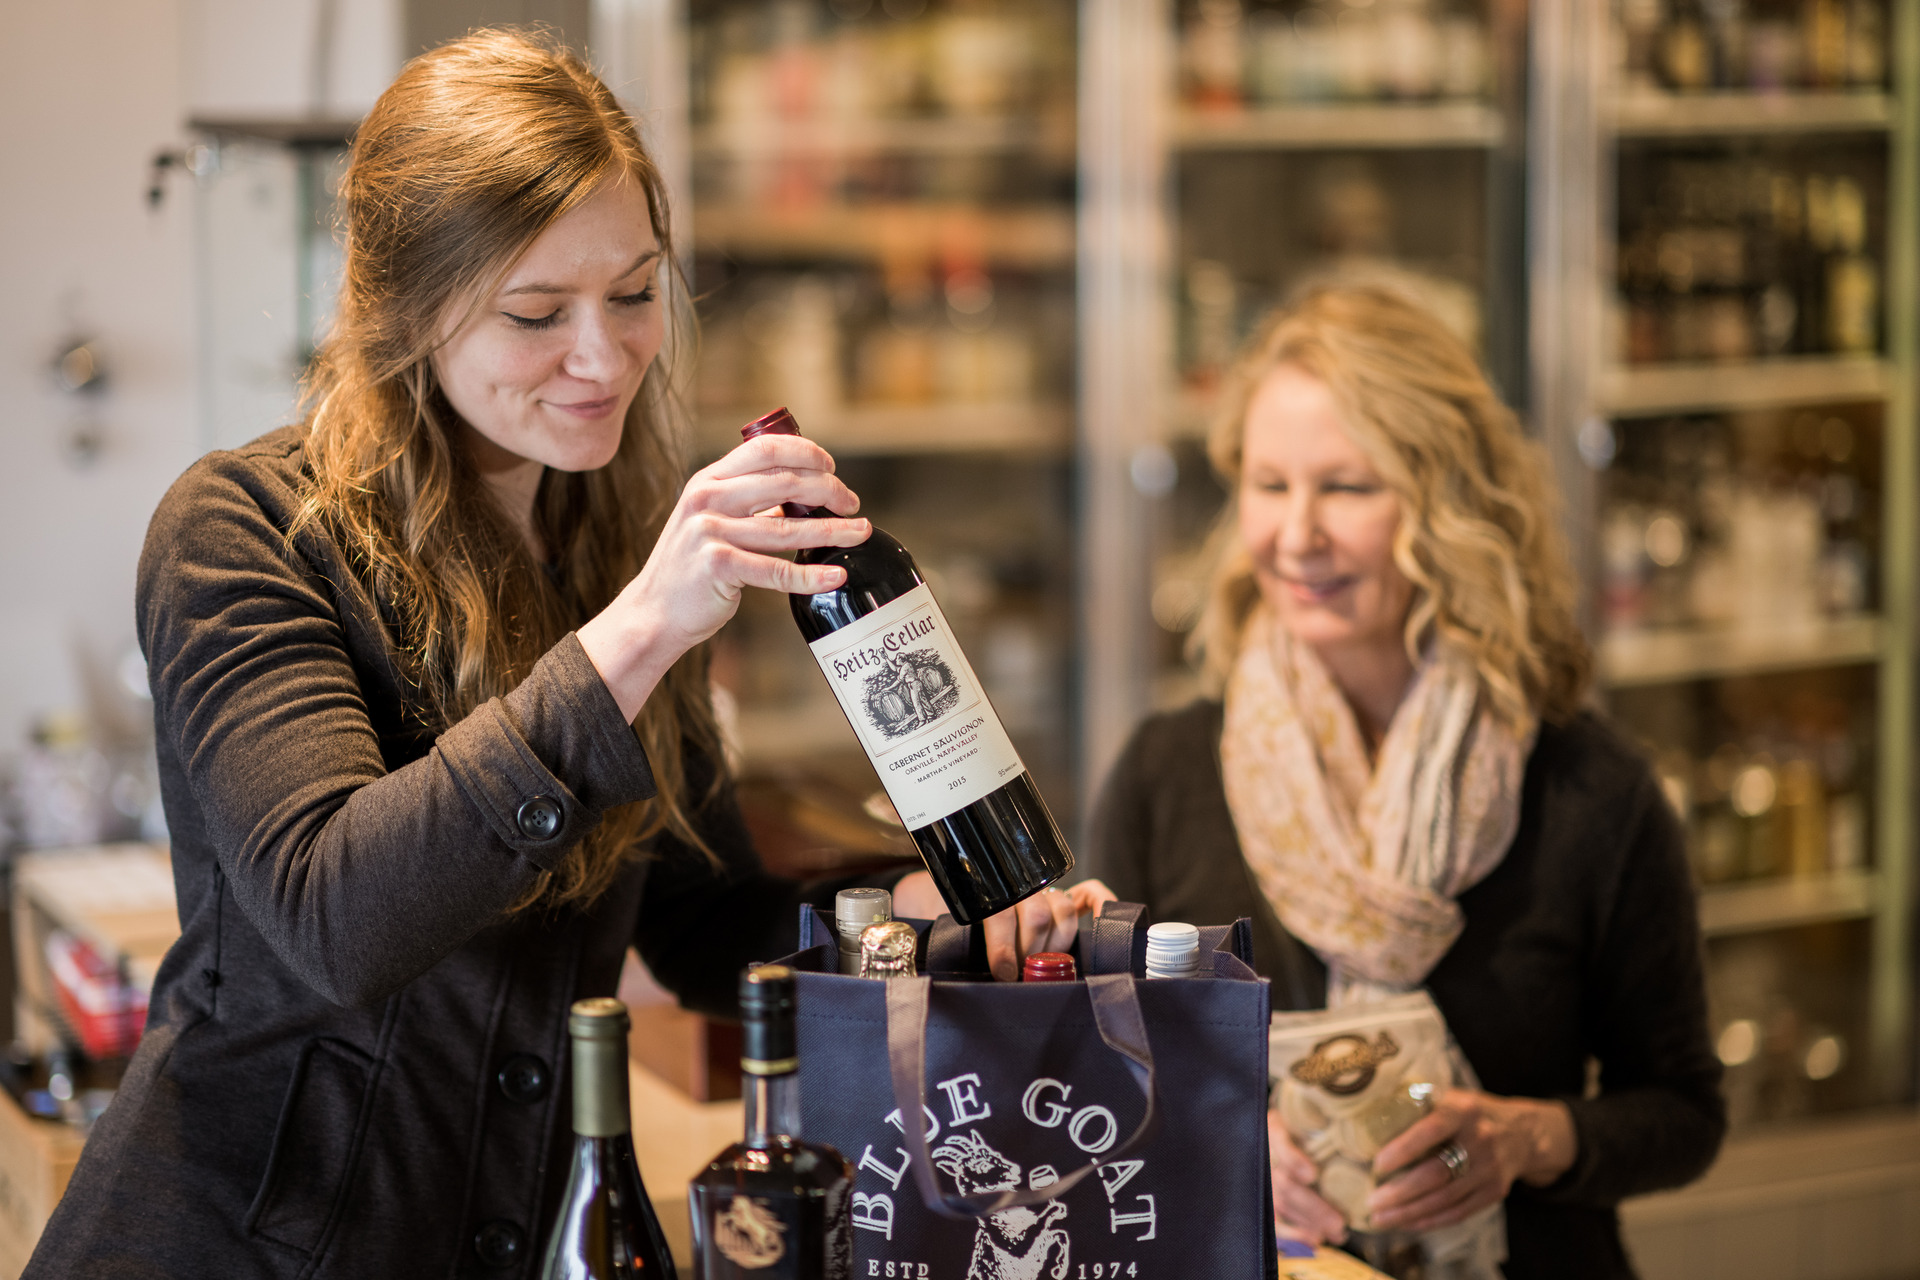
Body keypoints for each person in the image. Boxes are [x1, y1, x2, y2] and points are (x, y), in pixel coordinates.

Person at [27, 32, 1080, 1278]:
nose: (606, 355)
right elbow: (334, 917)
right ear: (401, 311)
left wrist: (914, 911)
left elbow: (699, 914)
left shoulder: (612, 538)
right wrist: (637, 632)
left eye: (635, 293)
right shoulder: (244, 531)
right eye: (537, 312)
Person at [1083, 285, 1724, 1280]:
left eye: (1346, 486)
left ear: (1448, 501)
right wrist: (1218, 1133)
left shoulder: (1592, 788)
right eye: (1268, 483)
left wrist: (1526, 1137)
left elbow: (1684, 1111)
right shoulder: (1166, 772)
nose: (1296, 535)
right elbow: (1098, 1067)